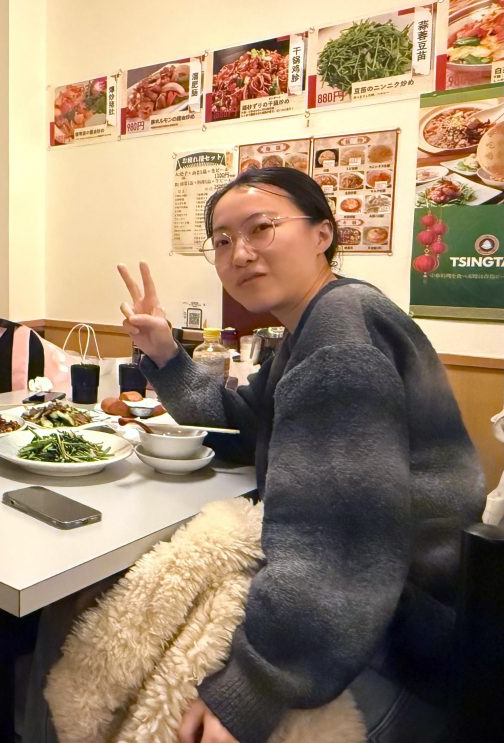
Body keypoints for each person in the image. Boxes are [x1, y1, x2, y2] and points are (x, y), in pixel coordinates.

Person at [111, 167, 484, 743]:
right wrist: (165, 354)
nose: (240, 253)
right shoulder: (319, 322)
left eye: (261, 228)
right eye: (222, 240)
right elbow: (242, 423)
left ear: (322, 234)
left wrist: (253, 687)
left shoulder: (340, 336)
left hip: (401, 646)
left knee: (131, 678)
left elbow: (339, 544)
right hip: (383, 618)